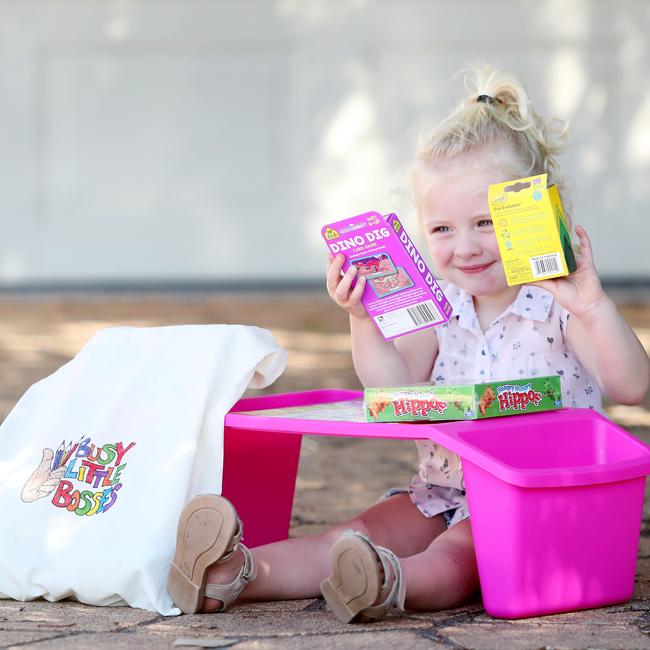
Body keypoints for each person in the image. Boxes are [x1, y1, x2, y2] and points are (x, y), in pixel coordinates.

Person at [167, 65, 650, 621]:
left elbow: (631, 386)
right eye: (442, 229)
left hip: (535, 503)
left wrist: (592, 306)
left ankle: (384, 580)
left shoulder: (561, 308)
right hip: (441, 491)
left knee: (460, 552)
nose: (463, 247)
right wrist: (364, 320)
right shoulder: (441, 308)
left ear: (536, 215)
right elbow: (392, 391)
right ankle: (236, 575)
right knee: (357, 531)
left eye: (486, 222)